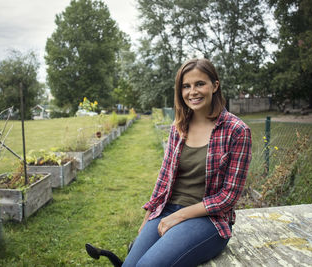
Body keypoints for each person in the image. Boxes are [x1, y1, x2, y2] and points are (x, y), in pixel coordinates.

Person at [86, 58, 252, 266]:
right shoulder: (179, 127)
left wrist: (180, 216)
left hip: (210, 220)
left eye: (200, 84)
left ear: (215, 86)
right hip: (168, 208)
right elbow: (164, 180)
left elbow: (228, 197)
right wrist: (148, 218)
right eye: (186, 86)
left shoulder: (237, 131)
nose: (193, 92)